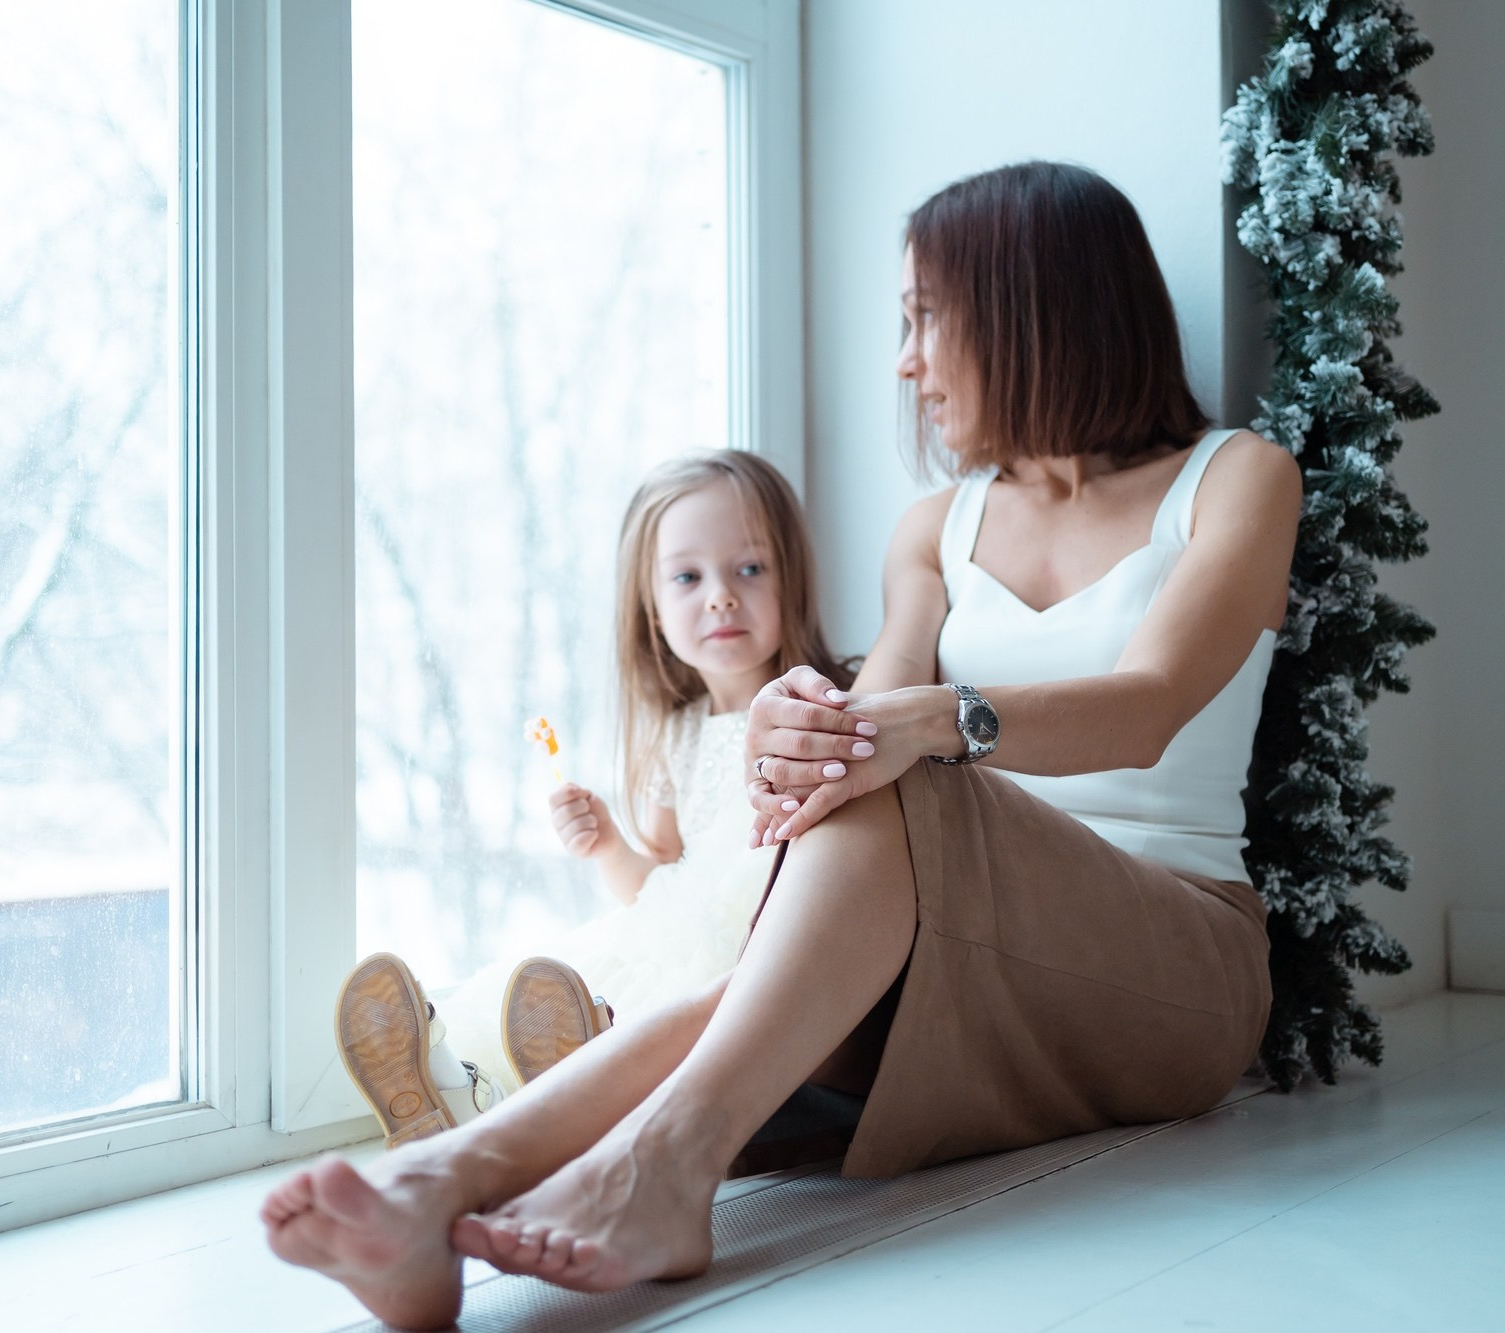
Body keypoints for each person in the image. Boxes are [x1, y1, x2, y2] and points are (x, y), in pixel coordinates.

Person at [260, 161, 1299, 1331]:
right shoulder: (936, 527)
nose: (904, 360)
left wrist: (930, 721)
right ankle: (435, 1186)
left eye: (921, 317)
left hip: (1173, 956)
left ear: (1023, 304)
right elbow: (872, 735)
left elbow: (1148, 699)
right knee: (851, 780)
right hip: (975, 944)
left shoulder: (1233, 480)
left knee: (897, 763)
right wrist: (790, 733)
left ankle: (659, 1166)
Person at [336, 450, 854, 1149]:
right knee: (544, 990)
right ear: (652, 606)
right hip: (671, 936)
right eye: (687, 576)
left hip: (760, 944)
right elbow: (660, 885)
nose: (721, 595)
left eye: (750, 569)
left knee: (629, 1022)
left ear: (793, 575)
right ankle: (441, 1094)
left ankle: (546, 1104)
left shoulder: (819, 707)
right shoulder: (678, 734)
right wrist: (609, 846)